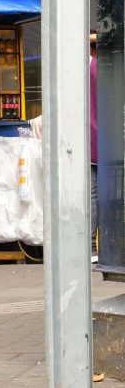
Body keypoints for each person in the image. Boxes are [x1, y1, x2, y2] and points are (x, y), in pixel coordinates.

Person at [90, 32, 99, 258]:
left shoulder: (87, 69)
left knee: (92, 195)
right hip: (108, 142)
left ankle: (89, 245)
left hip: (90, 142)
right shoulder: (106, 69)